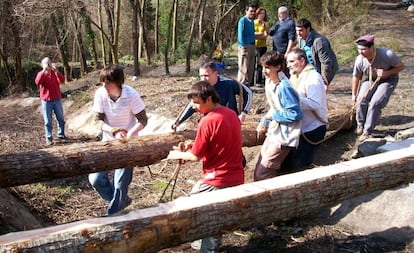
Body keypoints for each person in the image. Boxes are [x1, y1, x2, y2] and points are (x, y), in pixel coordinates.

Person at [167, 81, 244, 253]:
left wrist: (177, 155)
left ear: (208, 99)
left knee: (200, 211)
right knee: (211, 210)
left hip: (217, 180)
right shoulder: (231, 114)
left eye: (196, 103)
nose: (194, 107)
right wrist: (194, 144)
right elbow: (218, 142)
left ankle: (207, 248)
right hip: (236, 176)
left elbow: (196, 156)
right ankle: (200, 243)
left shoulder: (207, 121)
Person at [89, 64, 148, 216]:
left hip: (127, 144)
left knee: (120, 185)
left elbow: (143, 120)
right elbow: (98, 121)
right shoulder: (100, 94)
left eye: (108, 82)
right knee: (96, 179)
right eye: (103, 82)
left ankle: (113, 216)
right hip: (108, 141)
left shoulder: (131, 95)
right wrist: (113, 131)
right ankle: (120, 201)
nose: (104, 85)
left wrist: (129, 134)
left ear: (118, 82)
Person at [254, 51, 303, 181]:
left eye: (268, 67)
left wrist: (274, 116)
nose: (264, 71)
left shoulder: (284, 87)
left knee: (263, 173)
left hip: (284, 136)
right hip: (275, 132)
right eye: (263, 67)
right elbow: (274, 107)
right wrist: (264, 122)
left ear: (278, 67)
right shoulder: (271, 82)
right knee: (260, 165)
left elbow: (295, 114)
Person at [351, 34, 405, 141]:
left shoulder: (387, 54)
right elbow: (356, 76)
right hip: (371, 79)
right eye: (358, 49)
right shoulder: (360, 59)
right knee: (361, 99)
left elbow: (401, 66)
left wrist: (387, 73)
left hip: (388, 79)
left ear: (372, 47)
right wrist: (354, 95)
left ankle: (367, 131)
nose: (360, 52)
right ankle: (360, 124)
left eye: (363, 49)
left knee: (375, 103)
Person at [283, 48, 328, 170]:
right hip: (300, 128)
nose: (288, 66)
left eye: (292, 62)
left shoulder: (313, 78)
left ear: (302, 61)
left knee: (299, 165)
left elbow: (314, 104)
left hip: (313, 128)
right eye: (288, 62)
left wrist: (292, 100)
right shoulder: (295, 76)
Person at [172, 60, 253, 129]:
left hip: (231, 122)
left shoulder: (229, 84)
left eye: (206, 75)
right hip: (211, 123)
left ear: (215, 73)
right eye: (201, 76)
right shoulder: (201, 88)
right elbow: (192, 105)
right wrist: (178, 122)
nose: (203, 79)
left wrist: (244, 113)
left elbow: (248, 93)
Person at [296, 18, 339, 90]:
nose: (298, 33)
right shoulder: (300, 39)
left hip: (322, 70)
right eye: (296, 31)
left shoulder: (320, 42)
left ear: (308, 29)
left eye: (301, 30)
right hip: (310, 70)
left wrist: (324, 81)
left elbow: (326, 63)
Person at [34, 57, 66, 145]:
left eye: (49, 63)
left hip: (56, 99)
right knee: (48, 121)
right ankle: (49, 138)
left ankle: (61, 134)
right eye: (46, 63)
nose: (48, 65)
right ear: (42, 65)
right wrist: (44, 71)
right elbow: (37, 82)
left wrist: (56, 71)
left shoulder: (54, 73)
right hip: (46, 100)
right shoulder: (41, 74)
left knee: (60, 118)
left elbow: (62, 80)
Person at [237, 3, 257, 86]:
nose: (252, 13)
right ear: (246, 11)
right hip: (245, 46)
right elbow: (240, 34)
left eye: (254, 11)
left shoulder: (252, 21)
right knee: (243, 67)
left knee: (250, 67)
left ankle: (247, 85)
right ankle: (241, 86)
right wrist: (243, 46)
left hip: (252, 46)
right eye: (251, 11)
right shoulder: (243, 20)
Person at [254, 7, 269, 86]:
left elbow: (266, 35)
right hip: (255, 45)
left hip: (263, 45)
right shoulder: (254, 23)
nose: (262, 15)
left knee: (261, 63)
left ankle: (259, 80)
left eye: (263, 13)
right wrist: (260, 34)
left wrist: (264, 28)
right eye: (260, 13)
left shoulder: (266, 23)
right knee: (254, 63)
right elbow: (253, 34)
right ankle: (252, 80)